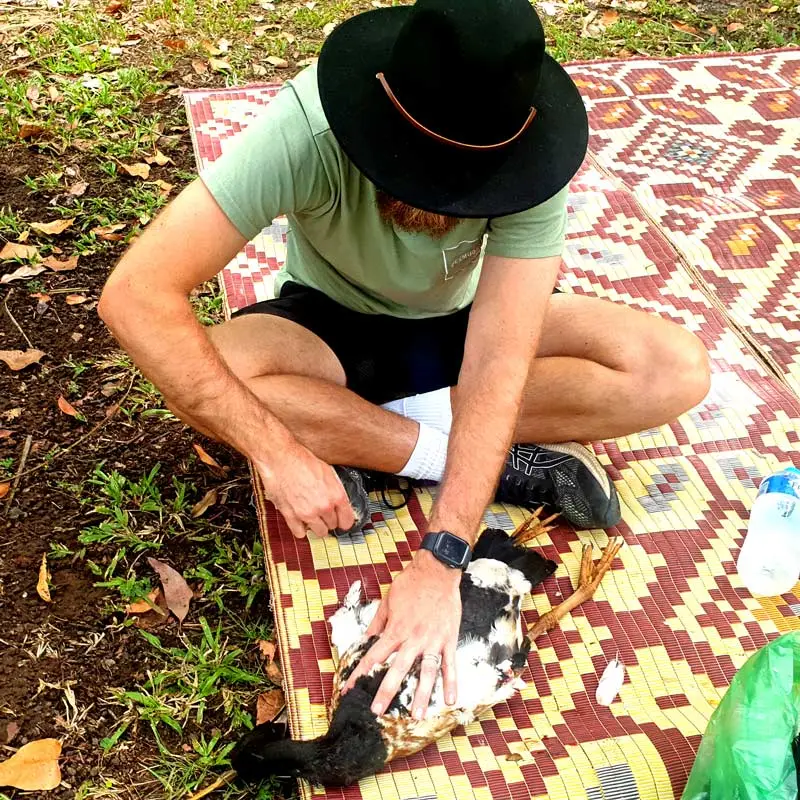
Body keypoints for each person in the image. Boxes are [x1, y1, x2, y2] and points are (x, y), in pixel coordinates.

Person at [99, 0, 710, 721]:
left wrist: (445, 554)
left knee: (673, 368)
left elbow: (497, 361)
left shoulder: (529, 149)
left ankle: (364, 433)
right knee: (204, 377)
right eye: (418, 170)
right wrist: (279, 453)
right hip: (328, 329)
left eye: (468, 183)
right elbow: (135, 295)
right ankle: (482, 458)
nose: (440, 198)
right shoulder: (307, 125)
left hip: (461, 328)